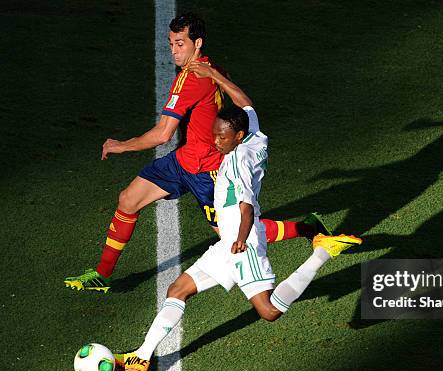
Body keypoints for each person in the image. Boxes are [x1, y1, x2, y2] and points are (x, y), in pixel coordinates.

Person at [115, 67, 362, 371]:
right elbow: (245, 102)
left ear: (237, 137)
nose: (216, 141)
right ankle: (142, 355)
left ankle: (323, 251)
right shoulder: (255, 136)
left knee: (269, 311)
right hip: (228, 241)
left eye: (222, 137)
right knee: (177, 290)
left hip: (239, 242)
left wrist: (242, 241)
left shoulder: (236, 162)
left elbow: (246, 207)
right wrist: (214, 75)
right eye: (215, 134)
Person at [64, 13, 329, 293]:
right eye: (171, 43)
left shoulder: (190, 78)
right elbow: (239, 101)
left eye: (180, 44)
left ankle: (307, 228)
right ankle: (103, 275)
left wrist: (121, 145)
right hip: (183, 161)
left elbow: (163, 134)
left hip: (209, 171)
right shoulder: (212, 68)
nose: (174, 51)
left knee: (237, 235)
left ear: (197, 43)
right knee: (128, 200)